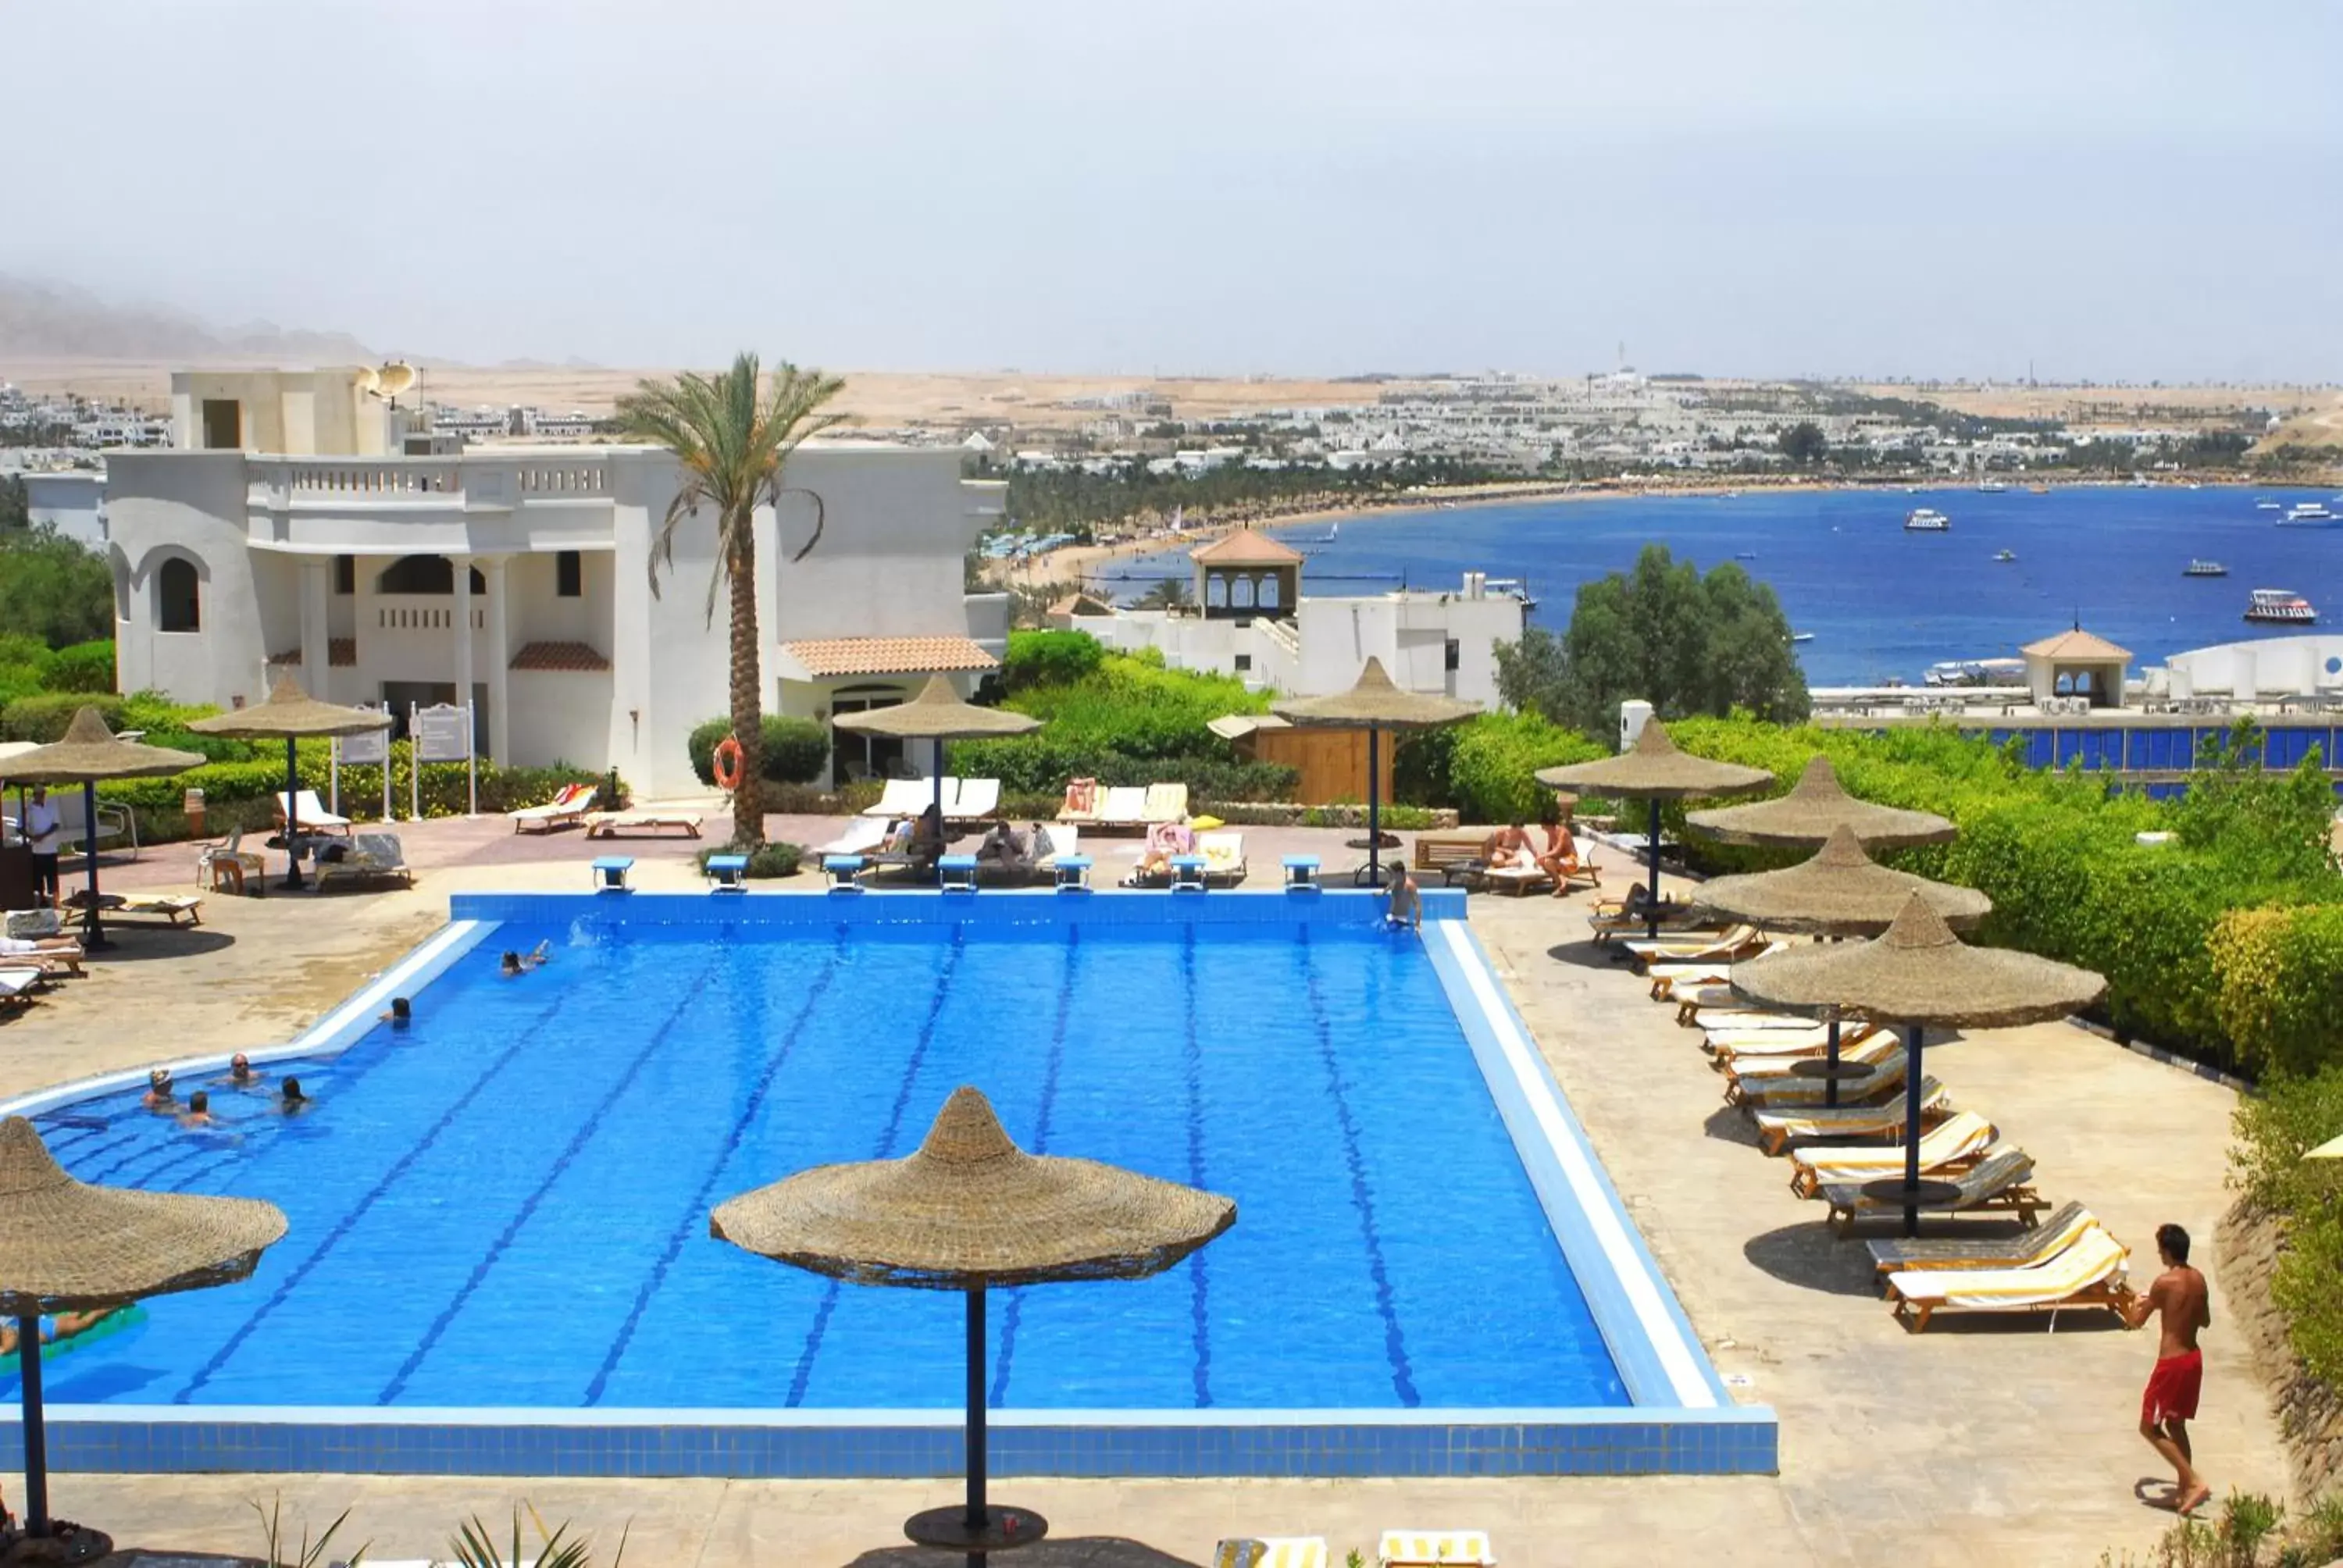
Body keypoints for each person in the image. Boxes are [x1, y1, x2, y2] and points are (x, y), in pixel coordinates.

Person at [2120, 1221, 2213, 1516]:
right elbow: (2205, 1321)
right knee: (2176, 1424)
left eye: (2161, 1249)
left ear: (2168, 1251)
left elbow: (2135, 1321)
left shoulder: (2163, 1284)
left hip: (2171, 1364)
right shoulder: (2199, 1280)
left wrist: (2135, 1302)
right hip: (2193, 1360)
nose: (2159, 1254)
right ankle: (2183, 1491)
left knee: (2149, 1427)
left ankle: (2194, 1480)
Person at [23, 786, 62, 907]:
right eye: (38, 794)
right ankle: (40, 901)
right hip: (37, 850)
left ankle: (55, 901)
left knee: (52, 877)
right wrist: (32, 836)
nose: (41, 797)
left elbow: (56, 824)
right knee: (38, 879)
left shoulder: (51, 807)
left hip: (51, 848)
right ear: (34, 795)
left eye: (43, 794)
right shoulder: (28, 810)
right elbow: (21, 827)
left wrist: (44, 835)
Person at [1386, 864, 1422, 930]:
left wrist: (1417, 925)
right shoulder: (1395, 881)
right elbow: (1390, 886)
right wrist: (1383, 892)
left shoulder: (1410, 886)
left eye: (1391, 873)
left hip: (1402, 920)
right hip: (1391, 917)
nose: (1389, 875)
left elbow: (1418, 906)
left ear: (1399, 873)